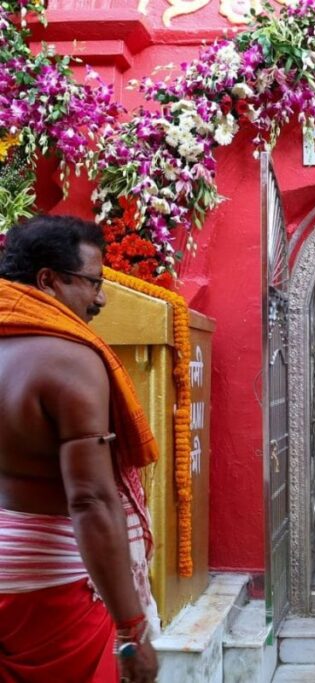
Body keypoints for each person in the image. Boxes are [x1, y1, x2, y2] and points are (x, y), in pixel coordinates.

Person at [0, 216, 160, 683]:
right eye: (93, 282)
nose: (100, 299)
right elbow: (90, 500)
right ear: (48, 280)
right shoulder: (70, 360)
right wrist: (131, 630)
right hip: (52, 581)